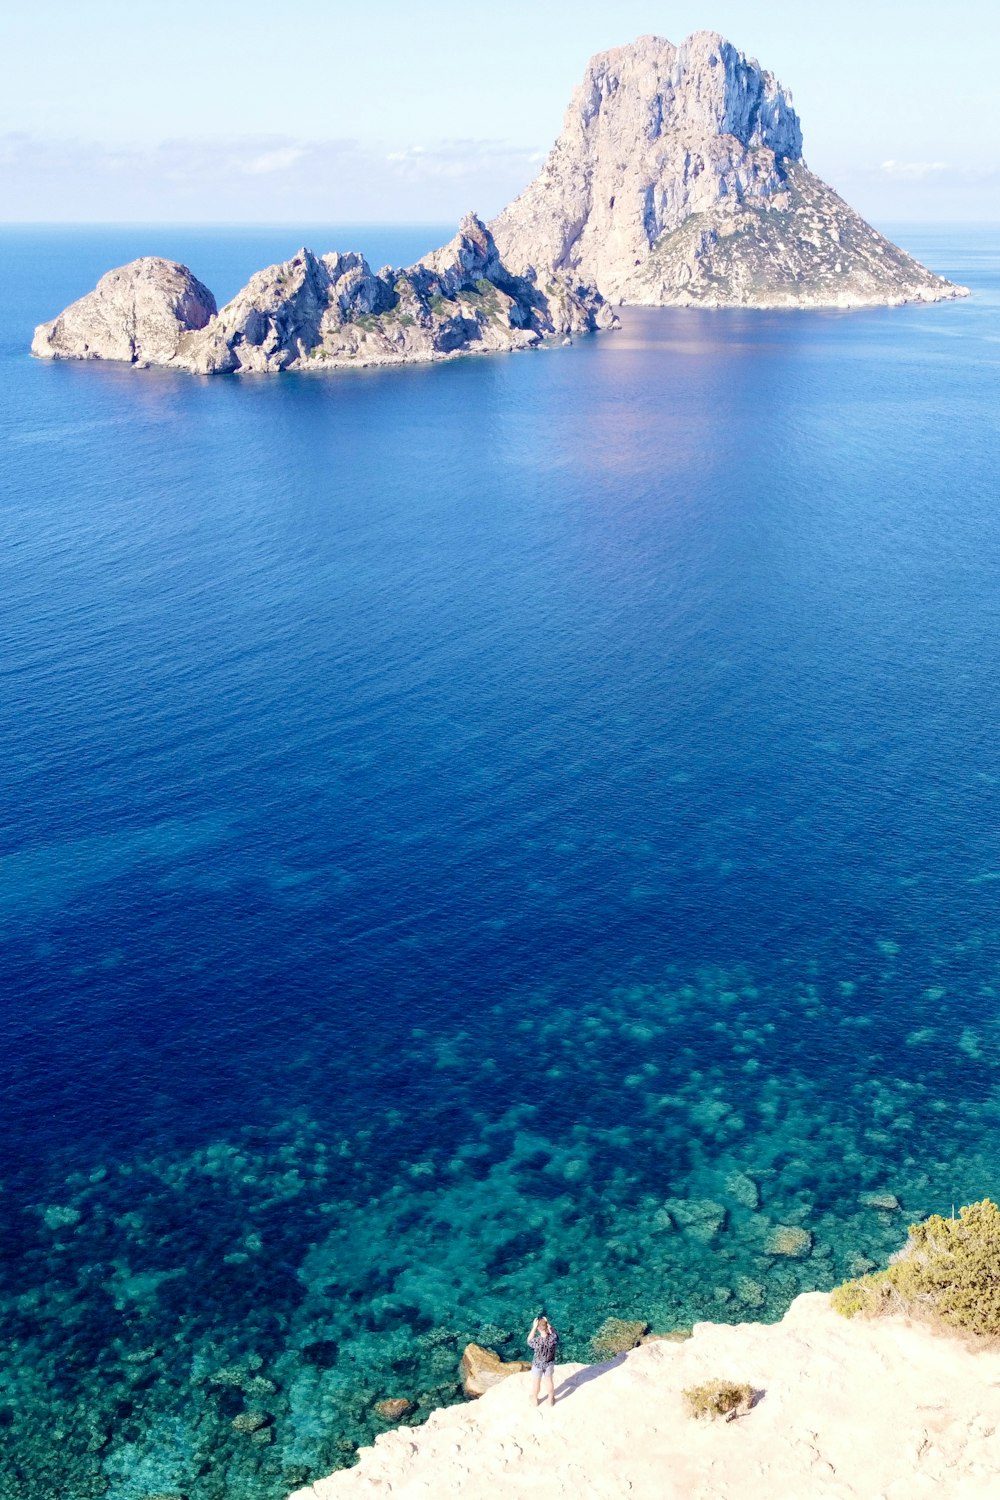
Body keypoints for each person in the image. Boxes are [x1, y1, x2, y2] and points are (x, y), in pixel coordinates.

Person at [526, 1313, 558, 1407]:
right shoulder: (553, 1338)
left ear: (538, 1328)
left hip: (538, 1364)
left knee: (536, 1382)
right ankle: (550, 1399)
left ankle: (535, 1400)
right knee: (549, 1381)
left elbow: (528, 1340)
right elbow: (555, 1333)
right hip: (549, 1363)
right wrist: (549, 1326)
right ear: (547, 1326)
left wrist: (533, 1328)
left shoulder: (537, 1341)